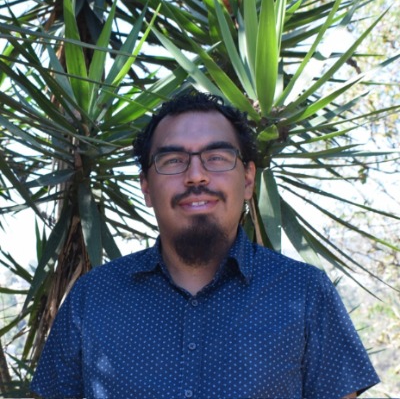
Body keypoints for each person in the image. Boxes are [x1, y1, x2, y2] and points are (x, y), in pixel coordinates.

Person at [31, 92, 379, 399]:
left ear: (247, 179)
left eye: (216, 157)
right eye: (172, 160)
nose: (196, 175)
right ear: (146, 188)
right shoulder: (92, 298)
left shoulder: (305, 293)